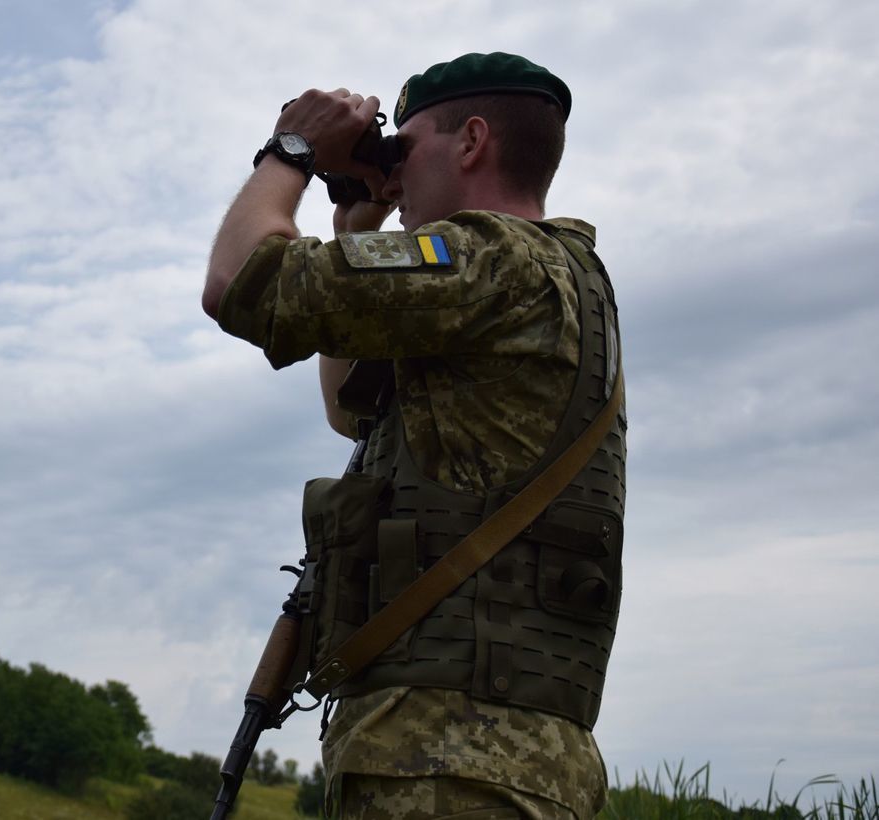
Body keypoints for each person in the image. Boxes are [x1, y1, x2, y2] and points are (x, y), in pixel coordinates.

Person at [203, 52, 626, 820]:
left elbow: (239, 284)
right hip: (493, 759)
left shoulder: (494, 259)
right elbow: (351, 410)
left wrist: (290, 149)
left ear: (471, 141)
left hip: (452, 762)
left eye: (405, 149)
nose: (392, 177)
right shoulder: (543, 280)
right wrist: (356, 222)